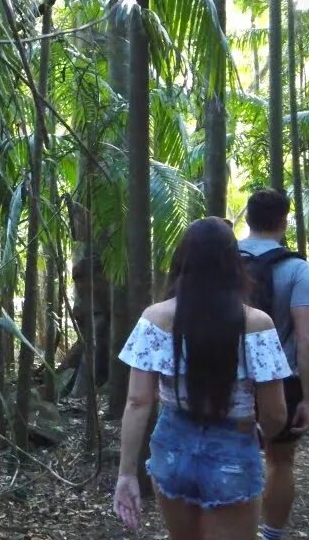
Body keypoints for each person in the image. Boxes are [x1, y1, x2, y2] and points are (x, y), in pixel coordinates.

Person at [113, 218, 291, 539]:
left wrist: (127, 474)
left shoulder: (155, 319)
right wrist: (261, 431)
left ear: (182, 261)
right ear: (234, 265)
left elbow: (138, 402)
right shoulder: (257, 325)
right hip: (234, 447)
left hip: (172, 444)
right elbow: (276, 414)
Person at [239, 189, 309, 540]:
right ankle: (271, 535)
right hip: (281, 378)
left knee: (227, 454)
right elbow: (308, 338)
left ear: (247, 218)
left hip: (224, 379)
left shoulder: (222, 260)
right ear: (284, 221)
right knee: (280, 461)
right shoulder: (297, 269)